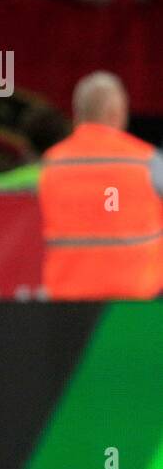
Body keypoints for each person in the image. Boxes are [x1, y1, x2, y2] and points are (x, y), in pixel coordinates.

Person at [39, 72, 163, 300]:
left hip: (67, 302)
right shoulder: (147, 161)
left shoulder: (52, 163)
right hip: (136, 302)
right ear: (117, 112)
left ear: (77, 115)